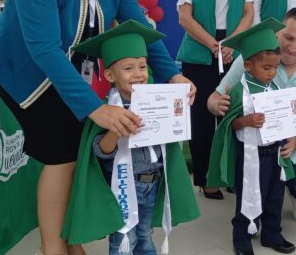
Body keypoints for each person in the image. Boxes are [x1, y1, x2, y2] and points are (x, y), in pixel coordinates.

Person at [0, 0, 194, 255]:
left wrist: (172, 74)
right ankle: (54, 247)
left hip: (68, 67)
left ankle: (68, 238)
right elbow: (43, 49)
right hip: (23, 69)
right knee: (62, 152)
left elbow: (136, 23)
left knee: (78, 149)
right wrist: (96, 108)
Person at [62, 20, 199, 254]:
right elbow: (100, 151)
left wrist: (176, 113)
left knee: (145, 235)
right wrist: (116, 131)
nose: (138, 74)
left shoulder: (158, 101)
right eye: (128, 68)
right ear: (109, 74)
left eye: (142, 67)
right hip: (124, 187)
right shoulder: (106, 110)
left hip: (151, 181)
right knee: (124, 240)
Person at [207, 8, 296, 224]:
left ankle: (295, 190)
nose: (292, 47)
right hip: (256, 148)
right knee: (251, 181)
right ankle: (253, 211)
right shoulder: (252, 58)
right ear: (278, 31)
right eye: (288, 37)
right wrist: (217, 105)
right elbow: (213, 98)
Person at [177, 0, 254, 199]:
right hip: (199, 51)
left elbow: (248, 12)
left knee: (230, 112)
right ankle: (207, 177)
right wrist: (213, 44)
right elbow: (185, 18)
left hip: (233, 48)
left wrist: (231, 42)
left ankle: (230, 173)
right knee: (201, 117)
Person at [206, 18, 296, 255]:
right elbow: (229, 124)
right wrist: (246, 121)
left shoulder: (275, 89)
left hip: (274, 153)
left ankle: (271, 234)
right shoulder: (238, 91)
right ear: (247, 65)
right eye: (266, 68)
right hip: (250, 156)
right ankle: (242, 237)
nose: (272, 72)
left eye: (275, 67)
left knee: (275, 197)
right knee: (248, 195)